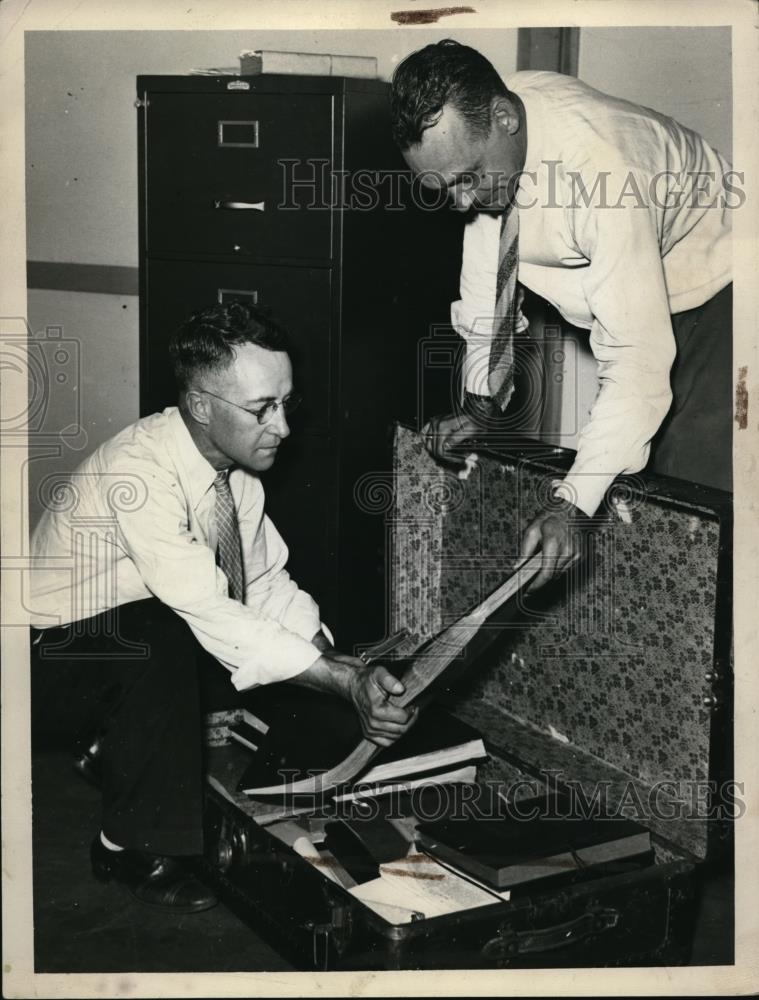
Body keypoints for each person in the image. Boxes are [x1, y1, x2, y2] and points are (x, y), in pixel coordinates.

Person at [29, 302, 414, 912]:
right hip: (37, 664)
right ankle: (124, 847)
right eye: (262, 409)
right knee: (167, 631)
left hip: (119, 648)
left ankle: (115, 743)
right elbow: (208, 609)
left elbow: (262, 583)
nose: (283, 427)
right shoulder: (141, 472)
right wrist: (348, 683)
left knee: (198, 635)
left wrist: (339, 666)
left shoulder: (236, 478)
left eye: (287, 403)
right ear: (201, 406)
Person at [390, 40, 733, 590]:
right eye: (441, 187)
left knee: (695, 515)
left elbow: (638, 364)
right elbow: (486, 290)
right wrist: (480, 405)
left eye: (466, 179)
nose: (457, 204)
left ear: (505, 118)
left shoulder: (603, 171)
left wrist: (572, 505)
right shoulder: (489, 141)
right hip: (641, 281)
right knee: (624, 482)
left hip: (723, 285)